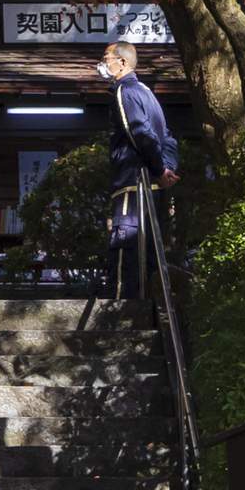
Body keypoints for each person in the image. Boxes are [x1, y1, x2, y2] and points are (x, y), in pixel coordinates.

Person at [99, 41, 172, 302]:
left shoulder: (124, 92)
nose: (102, 63)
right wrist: (167, 169)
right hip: (153, 185)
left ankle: (119, 307)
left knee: (125, 245)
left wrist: (159, 168)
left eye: (106, 57)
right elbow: (166, 136)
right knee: (151, 249)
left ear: (122, 63)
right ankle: (150, 305)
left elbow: (138, 133)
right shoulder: (146, 92)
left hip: (133, 182)